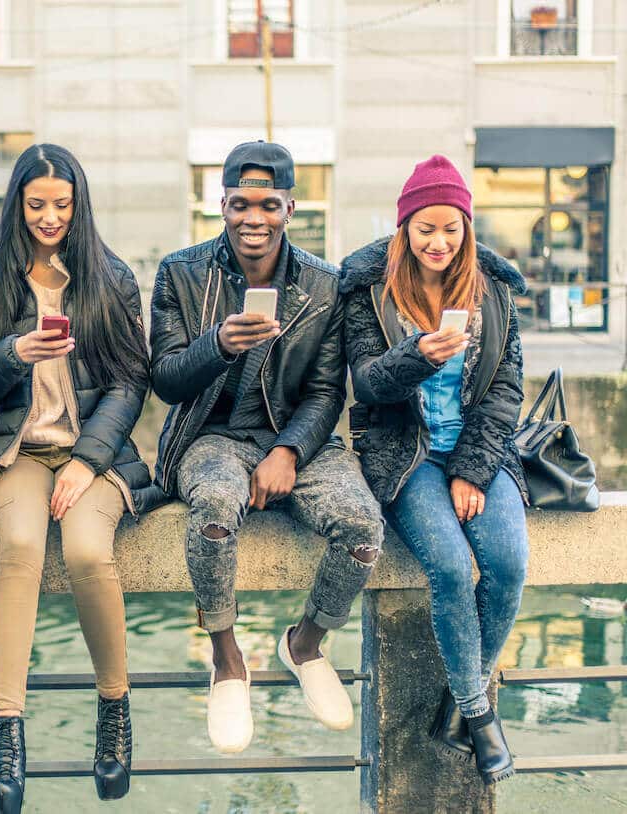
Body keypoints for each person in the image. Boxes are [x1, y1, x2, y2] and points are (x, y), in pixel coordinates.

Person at [149, 141, 385, 753]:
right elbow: (166, 378)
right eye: (239, 204)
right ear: (221, 205)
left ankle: (305, 643)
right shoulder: (181, 271)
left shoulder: (324, 284)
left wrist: (289, 451)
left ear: (290, 207)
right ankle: (227, 658)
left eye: (268, 204)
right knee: (214, 512)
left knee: (362, 527)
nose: (253, 218)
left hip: (292, 437)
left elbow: (329, 390)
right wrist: (218, 345)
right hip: (210, 436)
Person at [0, 144, 160, 813]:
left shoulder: (110, 277)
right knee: (18, 550)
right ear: (17, 204)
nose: (49, 217)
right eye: (36, 204)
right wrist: (15, 353)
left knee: (85, 551)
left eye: (62, 205)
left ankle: (114, 709)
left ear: (79, 205)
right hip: (17, 453)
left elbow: (132, 382)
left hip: (91, 457)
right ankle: (6, 734)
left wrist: (86, 461)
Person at [340, 155, 527, 786]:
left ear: (467, 229)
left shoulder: (494, 291)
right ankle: (478, 713)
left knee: (506, 563)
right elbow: (365, 384)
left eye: (451, 228)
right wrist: (415, 358)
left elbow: (505, 389)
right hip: (406, 451)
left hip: (477, 449)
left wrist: (473, 471)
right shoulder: (369, 289)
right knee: (448, 566)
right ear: (405, 230)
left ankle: (458, 698)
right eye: (425, 229)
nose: (438, 242)